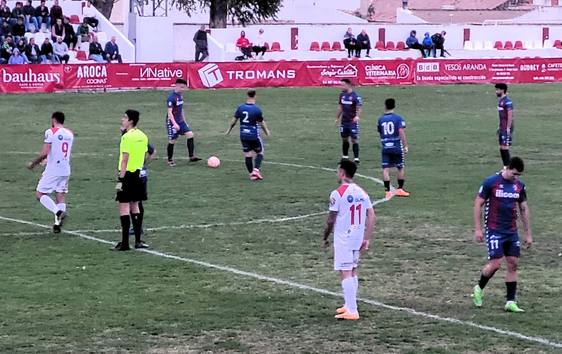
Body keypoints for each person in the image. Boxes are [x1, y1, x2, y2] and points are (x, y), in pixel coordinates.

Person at [472, 157, 532, 313]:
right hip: (494, 230)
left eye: (519, 175)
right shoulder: (491, 182)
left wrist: (528, 234)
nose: (516, 177)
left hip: (511, 231)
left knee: (513, 263)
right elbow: (478, 203)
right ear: (508, 168)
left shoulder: (519, 186)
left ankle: (510, 302)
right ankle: (479, 288)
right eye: (514, 173)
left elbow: (524, 209)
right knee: (495, 264)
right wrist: (478, 229)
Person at [323, 159, 375, 321]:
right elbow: (371, 215)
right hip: (357, 237)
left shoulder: (337, 193)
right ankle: (348, 304)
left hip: (344, 238)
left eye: (338, 170)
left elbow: (331, 220)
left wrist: (325, 236)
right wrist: (366, 238)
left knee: (345, 272)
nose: (337, 173)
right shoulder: (361, 192)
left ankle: (352, 310)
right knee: (352, 270)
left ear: (342, 172)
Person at [27, 112, 74, 233]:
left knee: (40, 194)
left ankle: (58, 212)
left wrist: (33, 163)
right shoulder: (70, 133)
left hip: (54, 169)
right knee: (60, 195)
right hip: (65, 168)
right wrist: (48, 160)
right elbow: (60, 150)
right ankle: (57, 225)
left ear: (53, 119)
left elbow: (44, 152)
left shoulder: (51, 132)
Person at [115, 110, 149, 251]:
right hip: (139, 175)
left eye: (124, 117)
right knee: (135, 206)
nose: (122, 119)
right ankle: (138, 241)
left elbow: (125, 159)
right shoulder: (143, 135)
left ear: (130, 121)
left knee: (123, 206)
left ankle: (124, 243)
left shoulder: (126, 137)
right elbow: (146, 155)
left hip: (127, 175)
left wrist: (120, 179)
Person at [225, 89, 271, 181]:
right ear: (255, 96)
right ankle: (256, 170)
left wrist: (229, 130)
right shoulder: (256, 109)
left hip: (243, 135)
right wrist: (266, 131)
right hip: (253, 135)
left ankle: (252, 175)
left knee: (248, 154)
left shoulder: (240, 108)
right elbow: (261, 123)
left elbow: (234, 121)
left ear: (247, 96)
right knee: (260, 152)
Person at [377, 98, 409, 200]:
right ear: (394, 106)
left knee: (386, 169)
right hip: (396, 146)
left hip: (386, 146)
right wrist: (405, 145)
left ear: (385, 106)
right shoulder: (398, 118)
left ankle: (387, 191)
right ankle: (400, 189)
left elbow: (380, 132)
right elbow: (401, 132)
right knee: (400, 167)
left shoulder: (381, 119)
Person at [165, 78, 201, 166]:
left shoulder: (180, 96)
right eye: (181, 87)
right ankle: (169, 160)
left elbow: (181, 109)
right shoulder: (171, 98)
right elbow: (169, 113)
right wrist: (174, 124)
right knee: (172, 140)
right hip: (172, 122)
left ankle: (191, 157)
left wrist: (185, 122)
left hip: (180, 121)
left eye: (184, 88)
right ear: (176, 86)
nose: (183, 89)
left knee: (190, 134)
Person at [336, 79, 362, 164]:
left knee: (354, 139)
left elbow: (359, 107)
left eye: (343, 85)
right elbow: (340, 107)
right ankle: (345, 157)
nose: (341, 87)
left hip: (352, 122)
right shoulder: (342, 95)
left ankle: (356, 158)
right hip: (344, 121)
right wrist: (337, 118)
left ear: (348, 85)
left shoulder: (355, 96)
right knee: (344, 139)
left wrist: (357, 116)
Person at [495, 83, 514, 169]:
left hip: (506, 127)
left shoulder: (507, 101)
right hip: (502, 127)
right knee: (501, 147)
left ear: (502, 90)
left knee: (505, 147)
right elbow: (501, 116)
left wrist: (508, 128)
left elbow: (510, 115)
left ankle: (509, 168)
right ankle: (505, 166)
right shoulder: (500, 101)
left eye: (497, 90)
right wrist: (499, 126)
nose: (496, 92)